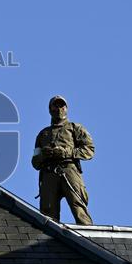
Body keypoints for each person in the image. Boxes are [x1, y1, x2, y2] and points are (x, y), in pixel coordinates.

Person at [31, 95, 95, 225]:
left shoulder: (75, 128)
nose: (59, 108)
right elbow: (35, 162)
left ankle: (89, 240)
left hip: (69, 170)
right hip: (48, 174)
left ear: (66, 108)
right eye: (55, 105)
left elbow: (89, 150)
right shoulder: (43, 134)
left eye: (62, 105)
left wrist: (66, 152)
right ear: (50, 109)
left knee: (78, 206)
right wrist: (44, 155)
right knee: (47, 215)